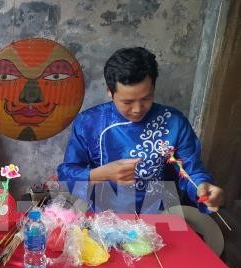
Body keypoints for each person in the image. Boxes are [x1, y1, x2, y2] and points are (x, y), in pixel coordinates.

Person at [57, 47, 223, 214]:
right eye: (127, 102)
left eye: (146, 98)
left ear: (153, 88)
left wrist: (202, 187)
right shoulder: (89, 122)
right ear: (109, 91)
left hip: (159, 213)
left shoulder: (173, 122)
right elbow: (66, 174)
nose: (137, 109)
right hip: (104, 216)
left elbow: (191, 171)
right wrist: (101, 174)